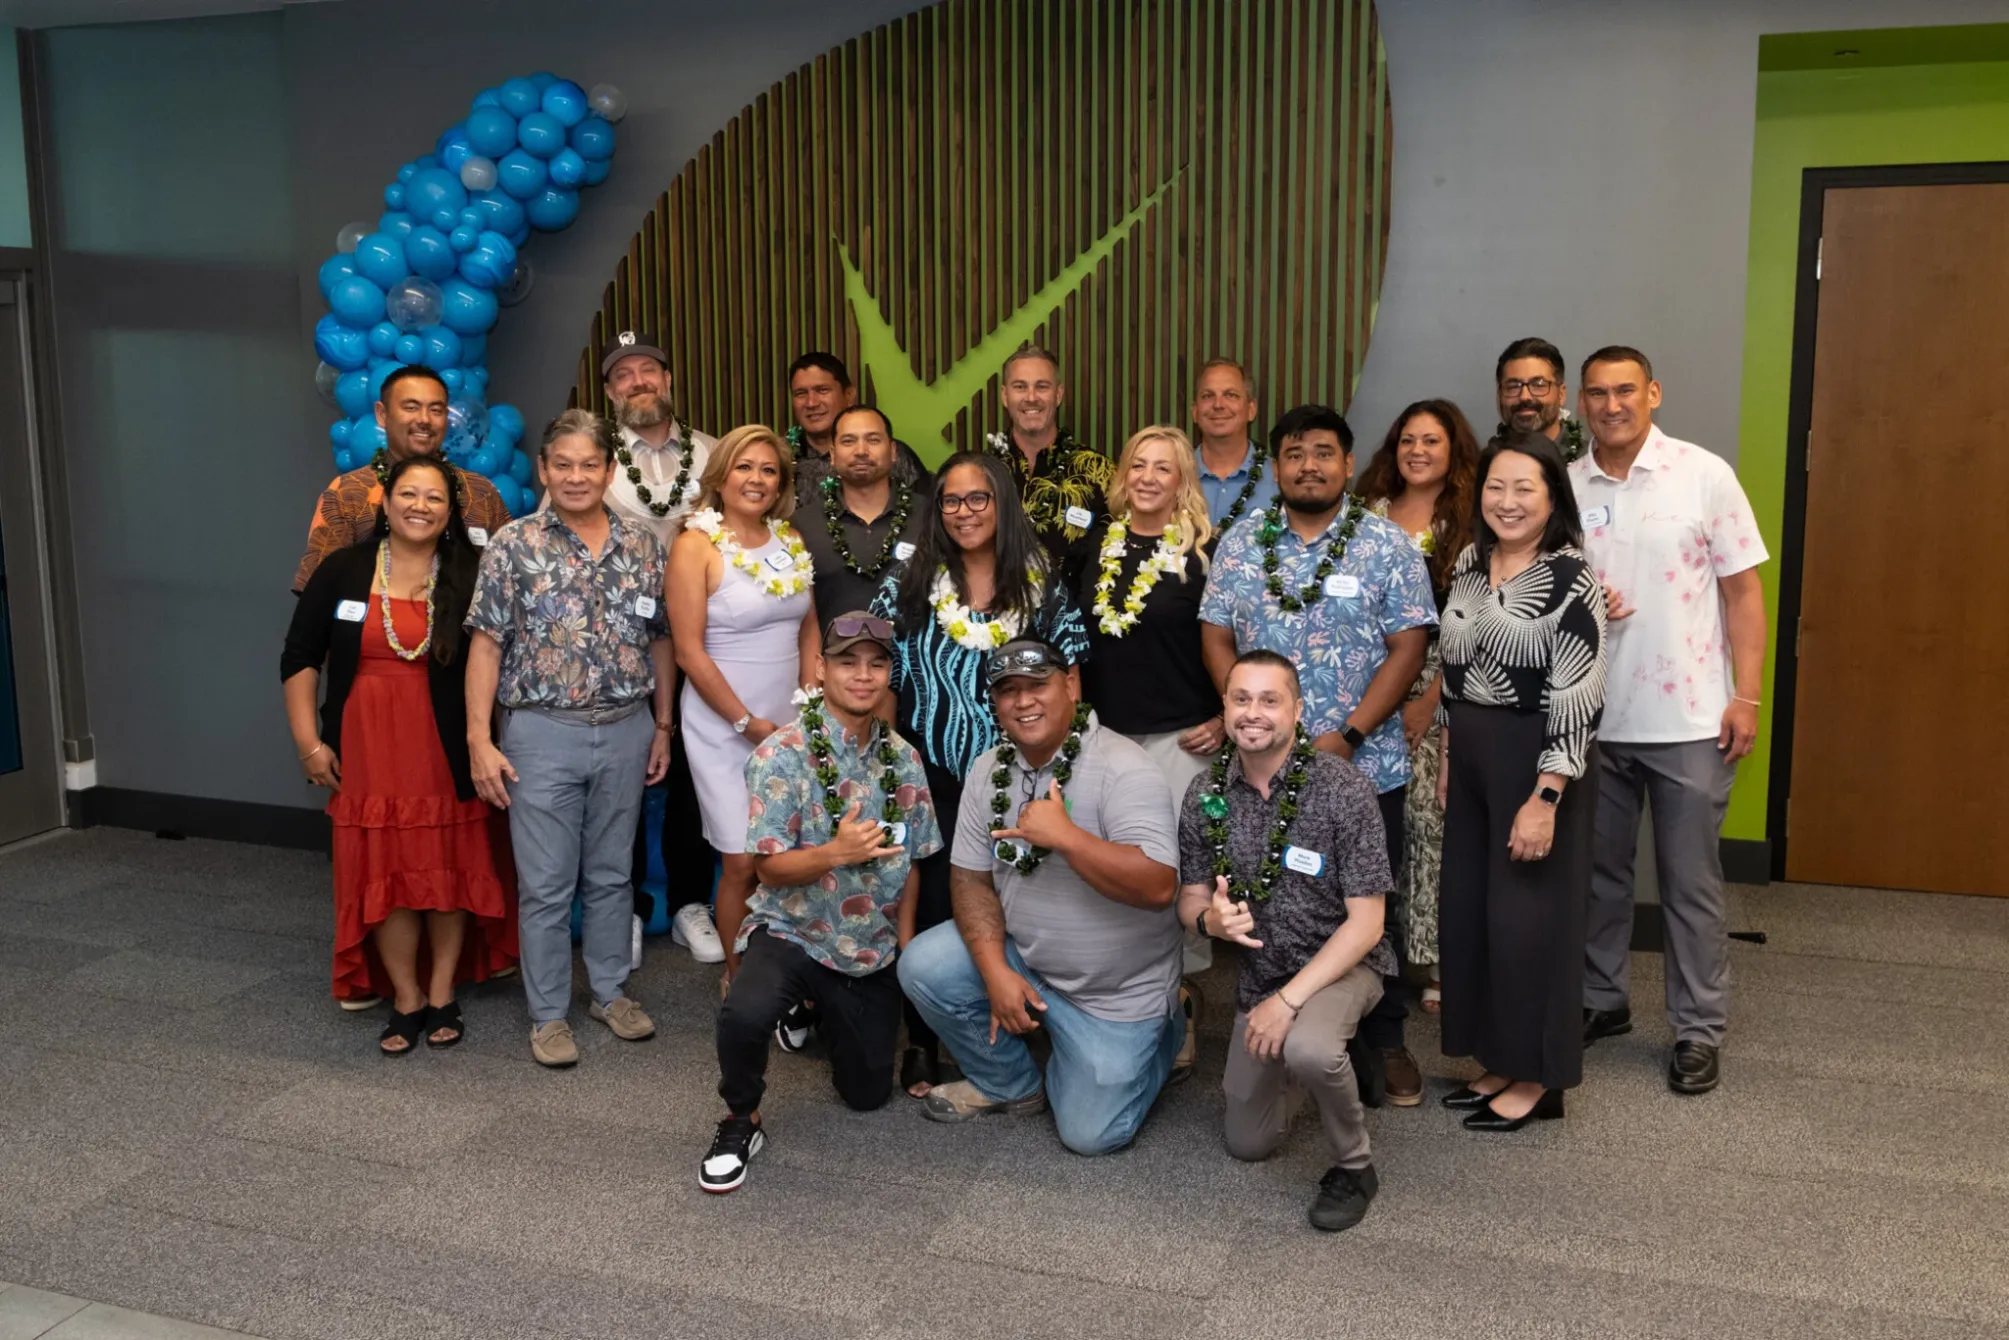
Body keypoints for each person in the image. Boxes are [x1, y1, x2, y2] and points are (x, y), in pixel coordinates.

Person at [1199, 404, 1436, 1106]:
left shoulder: (1385, 544)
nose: (1308, 464)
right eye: (1295, 453)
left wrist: (1350, 736)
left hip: (1366, 768)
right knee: (1276, 900)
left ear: (1346, 464)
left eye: (1323, 452)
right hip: (1261, 775)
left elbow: (1410, 645)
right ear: (1275, 467)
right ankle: (1280, 1021)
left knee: (1370, 907)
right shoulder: (1242, 542)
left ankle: (1383, 1040)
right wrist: (1245, 717)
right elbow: (1215, 633)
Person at [1570, 347, 1769, 1096]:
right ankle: (1600, 1001)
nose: (1611, 404)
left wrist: (1744, 696)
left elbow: (1742, 593)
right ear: (1581, 403)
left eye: (1625, 390)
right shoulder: (1565, 484)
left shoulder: (1702, 473)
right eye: (1596, 393)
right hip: (1592, 719)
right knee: (1597, 878)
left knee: (1690, 884)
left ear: (1652, 393)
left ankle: (1696, 1028)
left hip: (1689, 719)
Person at [897, 639, 1183, 1154]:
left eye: (1037, 685)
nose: (1023, 701)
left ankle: (1164, 1031)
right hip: (1029, 962)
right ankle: (1013, 1084)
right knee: (925, 964)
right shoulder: (989, 769)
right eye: (1008, 691)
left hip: (1116, 994)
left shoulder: (1125, 766)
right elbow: (970, 879)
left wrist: (1068, 837)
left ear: (1071, 685)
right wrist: (995, 974)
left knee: (1089, 1135)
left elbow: (1161, 887)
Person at [869, 451, 1090, 1097]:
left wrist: (1061, 772)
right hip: (931, 773)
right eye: (950, 501)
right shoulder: (910, 581)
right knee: (934, 907)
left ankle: (1016, 1021)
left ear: (1001, 504)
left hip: (1018, 776)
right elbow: (879, 677)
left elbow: (1070, 677)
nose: (963, 512)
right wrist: (886, 768)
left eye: (977, 499)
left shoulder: (1040, 583)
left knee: (1018, 902)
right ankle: (922, 1038)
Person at [282, 455, 518, 1052]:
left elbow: (500, 658)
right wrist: (310, 744)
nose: (420, 506)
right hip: (366, 747)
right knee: (384, 869)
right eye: (408, 494)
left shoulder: (473, 569)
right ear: (385, 504)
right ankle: (406, 996)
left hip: (444, 743)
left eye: (434, 498)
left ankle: (442, 991)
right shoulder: (343, 569)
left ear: (450, 511)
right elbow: (299, 657)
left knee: (445, 866)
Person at [701, 612, 943, 1192]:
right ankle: (741, 1117)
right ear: (820, 669)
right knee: (745, 1012)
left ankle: (814, 1009)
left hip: (867, 946)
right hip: (794, 928)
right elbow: (767, 868)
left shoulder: (904, 760)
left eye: (876, 664)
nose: (863, 676)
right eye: (847, 662)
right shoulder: (780, 755)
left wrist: (906, 946)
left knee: (866, 1096)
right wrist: (835, 852)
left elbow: (913, 862)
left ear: (890, 673)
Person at [464, 409, 673, 1068]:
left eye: (590, 464)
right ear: (544, 470)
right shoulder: (512, 544)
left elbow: (660, 638)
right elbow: (486, 645)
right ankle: (548, 1014)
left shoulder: (642, 542)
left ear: (610, 470)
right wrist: (479, 737)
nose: (577, 477)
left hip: (626, 728)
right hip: (540, 733)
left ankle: (609, 993)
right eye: (564, 465)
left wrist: (662, 725)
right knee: (548, 885)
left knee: (612, 877)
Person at [1176, 650, 1394, 1231]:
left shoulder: (1342, 788)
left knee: (1308, 1048)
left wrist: (1289, 1003)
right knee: (1247, 1142)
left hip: (1344, 962)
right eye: (1241, 699)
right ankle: (1334, 1055)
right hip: (1260, 974)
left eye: (1269, 700)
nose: (1254, 713)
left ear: (1297, 710)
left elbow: (1368, 923)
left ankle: (1354, 1166)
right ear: (1223, 708)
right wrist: (1210, 924)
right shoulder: (1203, 795)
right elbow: (1190, 899)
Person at [1436, 429, 1607, 1130]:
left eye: (1524, 488)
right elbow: (1450, 672)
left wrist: (1544, 797)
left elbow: (1578, 695)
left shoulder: (1571, 577)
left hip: (1535, 762)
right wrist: (1449, 758)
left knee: (1528, 925)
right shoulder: (1471, 564)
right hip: (1471, 756)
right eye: (1495, 487)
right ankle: (1499, 1057)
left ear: (1552, 498)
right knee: (1474, 917)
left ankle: (1540, 1077)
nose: (1506, 502)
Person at [1076, 425, 1222, 1052]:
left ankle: (1179, 1007)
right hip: (1105, 737)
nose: (1149, 477)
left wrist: (1223, 714)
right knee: (1113, 868)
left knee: (1177, 870)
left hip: (1180, 739)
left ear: (1182, 480)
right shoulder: (1090, 546)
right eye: (1139, 464)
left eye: (1164, 468)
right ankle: (1118, 1001)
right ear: (1123, 475)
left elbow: (1229, 640)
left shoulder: (1204, 554)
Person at [669, 424, 819, 992]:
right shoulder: (694, 545)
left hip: (788, 718)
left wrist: (805, 706)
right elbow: (688, 651)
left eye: (768, 470)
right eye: (744, 467)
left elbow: (809, 629)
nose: (756, 480)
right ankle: (740, 980)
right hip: (721, 723)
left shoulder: (792, 540)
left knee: (787, 852)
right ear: (721, 475)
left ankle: (788, 965)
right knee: (741, 859)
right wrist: (745, 723)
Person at [598, 329, 724, 965]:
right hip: (617, 645)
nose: (638, 382)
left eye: (648, 369)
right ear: (610, 391)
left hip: (704, 643)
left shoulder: (713, 455)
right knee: (622, 774)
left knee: (691, 775)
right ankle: (623, 905)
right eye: (624, 375)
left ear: (668, 380)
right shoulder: (590, 459)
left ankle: (688, 903)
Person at [1354, 400, 1481, 1013]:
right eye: (1407, 439)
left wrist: (1430, 698)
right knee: (1375, 827)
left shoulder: (1470, 522)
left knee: (1429, 827)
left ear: (1453, 450)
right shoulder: (1368, 515)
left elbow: (1470, 622)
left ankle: (1428, 963)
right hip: (1368, 681)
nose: (1418, 451)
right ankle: (1366, 950)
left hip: (1440, 688)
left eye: (1432, 441)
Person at [293, 365, 510, 593]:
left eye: (436, 410)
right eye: (411, 407)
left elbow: (511, 579)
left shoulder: (479, 491)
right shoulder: (349, 492)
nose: (424, 419)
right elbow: (315, 590)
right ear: (382, 415)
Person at [797, 405, 931, 622]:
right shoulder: (802, 525)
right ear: (832, 455)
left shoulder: (930, 517)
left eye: (873, 440)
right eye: (848, 441)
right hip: (830, 654)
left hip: (912, 655)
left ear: (894, 451)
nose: (861, 451)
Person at [982, 344, 1111, 558]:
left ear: (1058, 394)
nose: (1031, 397)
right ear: (1005, 396)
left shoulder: (1099, 471)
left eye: (1042, 386)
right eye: (1020, 387)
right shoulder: (979, 472)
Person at [784, 352, 927, 502]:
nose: (811, 403)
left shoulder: (891, 455)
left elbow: (926, 515)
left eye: (822, 390)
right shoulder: (779, 457)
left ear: (849, 395)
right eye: (801, 394)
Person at [1191, 358, 1277, 534]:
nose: (1218, 405)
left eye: (1230, 395)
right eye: (1208, 396)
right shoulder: (1171, 476)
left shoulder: (1279, 478)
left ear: (1251, 409)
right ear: (1195, 411)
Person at [1495, 337, 1587, 462]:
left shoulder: (1589, 461)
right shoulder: (1487, 465)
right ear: (1500, 395)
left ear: (1561, 394)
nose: (1524, 396)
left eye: (1538, 385)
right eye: (1513, 386)